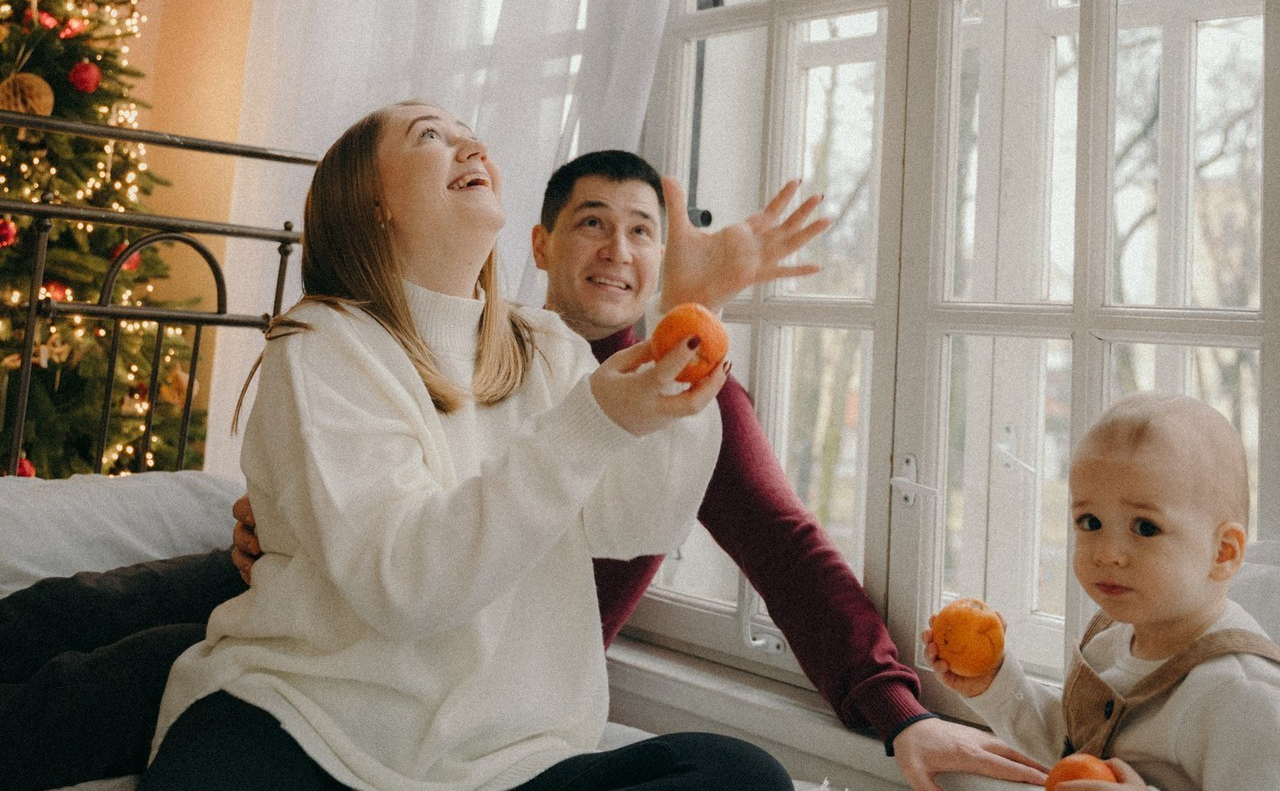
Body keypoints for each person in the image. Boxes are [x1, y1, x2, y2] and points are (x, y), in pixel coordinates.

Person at [0, 146, 1044, 791]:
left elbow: (788, 548)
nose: (619, 248)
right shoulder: (415, 341)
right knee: (92, 613)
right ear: (542, 242)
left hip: (483, 668)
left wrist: (897, 705)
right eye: (592, 220)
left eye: (643, 230)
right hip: (324, 602)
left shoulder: (682, 391)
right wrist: (282, 505)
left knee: (132, 666)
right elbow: (371, 509)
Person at [139, 101, 793, 791]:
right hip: (310, 729)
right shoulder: (322, 344)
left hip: (504, 763)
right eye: (430, 136)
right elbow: (404, 585)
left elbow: (638, 522)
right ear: (373, 204)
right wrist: (588, 424)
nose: (472, 146)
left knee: (744, 776)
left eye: (470, 136)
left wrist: (688, 324)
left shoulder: (545, 346)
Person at [924, 392, 1280, 791]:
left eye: (1145, 527)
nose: (1107, 553)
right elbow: (1073, 748)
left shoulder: (1243, 696)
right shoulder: (1110, 641)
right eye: (1090, 521)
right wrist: (995, 684)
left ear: (1223, 553)